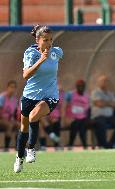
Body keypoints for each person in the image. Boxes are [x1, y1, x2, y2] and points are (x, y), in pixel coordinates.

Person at [14, 25, 63, 173]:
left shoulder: (57, 52)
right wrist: (41, 59)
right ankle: (19, 157)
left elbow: (54, 64)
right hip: (30, 96)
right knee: (23, 128)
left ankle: (31, 148)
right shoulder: (30, 53)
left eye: (51, 40)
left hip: (50, 96)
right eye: (45, 40)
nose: (49, 43)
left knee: (34, 116)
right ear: (37, 40)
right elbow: (26, 75)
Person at [91, 74, 115, 149]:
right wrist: (109, 103)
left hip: (109, 116)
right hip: (98, 116)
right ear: (99, 82)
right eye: (102, 81)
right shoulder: (95, 92)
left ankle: (112, 143)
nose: (104, 82)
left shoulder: (110, 93)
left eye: (106, 81)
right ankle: (103, 144)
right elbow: (99, 104)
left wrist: (105, 102)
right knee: (101, 124)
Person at [63, 80, 90, 150]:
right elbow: (64, 106)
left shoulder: (86, 96)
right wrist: (65, 118)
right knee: (76, 124)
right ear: (76, 86)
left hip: (82, 118)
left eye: (82, 86)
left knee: (81, 125)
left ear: (84, 87)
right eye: (79, 86)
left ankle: (75, 145)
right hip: (72, 118)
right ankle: (80, 145)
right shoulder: (70, 94)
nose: (81, 88)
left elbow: (87, 109)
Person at [0, 80, 19, 151]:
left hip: (9, 120)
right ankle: (6, 148)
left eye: (14, 87)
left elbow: (14, 113)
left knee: (20, 125)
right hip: (1, 119)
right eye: (11, 87)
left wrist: (14, 121)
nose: (12, 89)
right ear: (7, 87)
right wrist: (7, 120)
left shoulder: (15, 100)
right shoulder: (2, 98)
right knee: (10, 125)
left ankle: (18, 147)